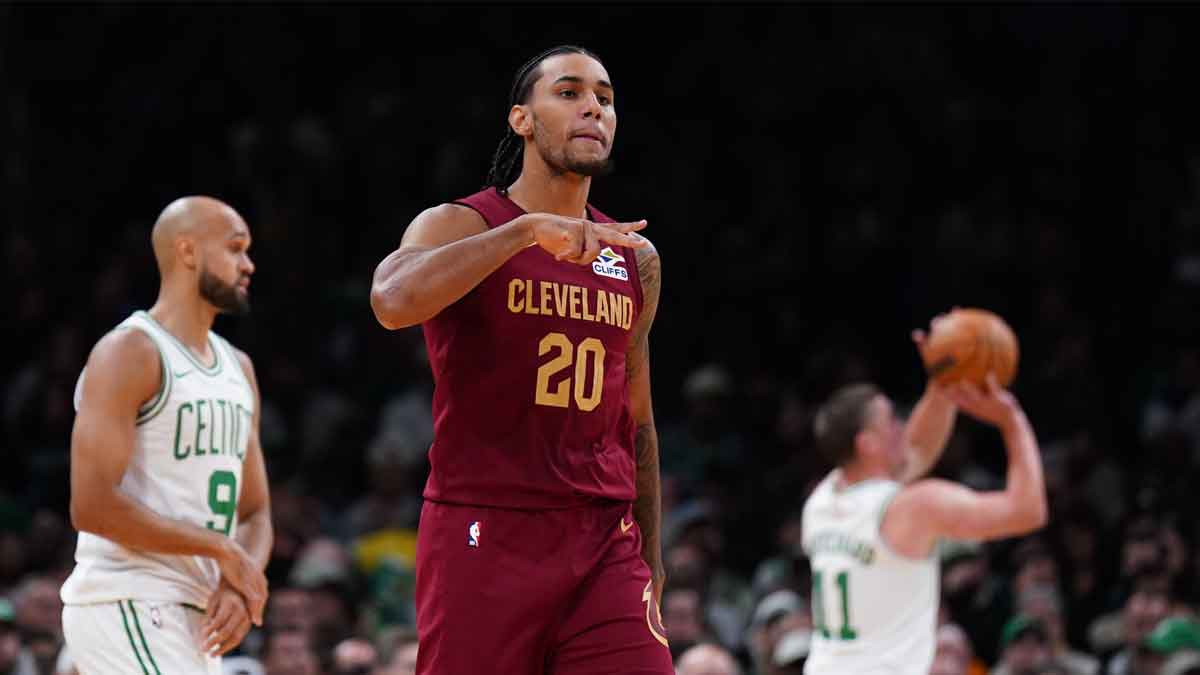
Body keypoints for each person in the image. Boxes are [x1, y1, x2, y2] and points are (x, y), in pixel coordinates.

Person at [369, 45, 670, 673]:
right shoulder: (464, 223)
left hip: (604, 539)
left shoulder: (633, 257)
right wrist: (523, 232)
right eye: (568, 92)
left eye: (605, 98)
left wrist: (653, 557)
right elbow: (391, 302)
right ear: (521, 120)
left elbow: (636, 420)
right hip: (487, 528)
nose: (593, 107)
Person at [61, 197, 272, 674]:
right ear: (188, 251)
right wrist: (219, 547)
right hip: (129, 598)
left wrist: (242, 582)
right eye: (236, 248)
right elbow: (91, 505)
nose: (248, 264)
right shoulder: (130, 351)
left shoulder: (239, 368)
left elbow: (256, 511)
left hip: (197, 616)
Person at [800, 329, 1048, 675]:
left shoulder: (821, 503)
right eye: (891, 420)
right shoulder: (915, 508)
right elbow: (1027, 511)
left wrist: (942, 385)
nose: (901, 425)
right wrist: (1013, 422)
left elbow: (914, 451)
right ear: (867, 443)